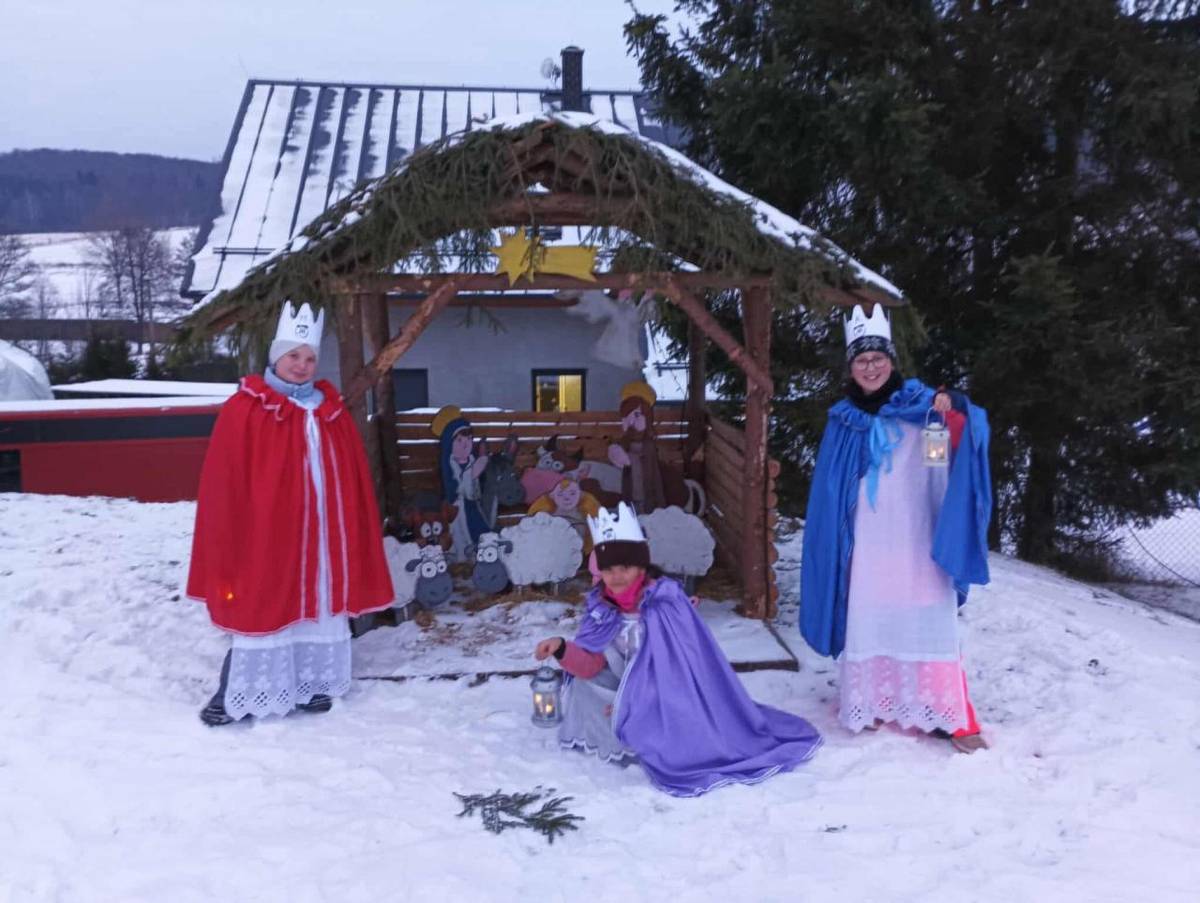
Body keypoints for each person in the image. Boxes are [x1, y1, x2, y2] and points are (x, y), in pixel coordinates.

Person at [187, 301, 394, 726]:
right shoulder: (245, 408)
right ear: (275, 357)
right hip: (266, 532)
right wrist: (235, 531)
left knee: (317, 605)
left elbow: (350, 476)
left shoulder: (329, 410)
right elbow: (225, 478)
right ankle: (236, 694)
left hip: (321, 538)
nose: (301, 365)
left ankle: (310, 686)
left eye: (309, 358)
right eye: (293, 356)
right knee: (264, 602)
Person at [800, 304, 993, 753]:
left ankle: (947, 712)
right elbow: (831, 488)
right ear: (851, 367)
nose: (870, 368)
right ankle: (875, 700)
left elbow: (952, 454)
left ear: (891, 361)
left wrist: (955, 408)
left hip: (917, 532)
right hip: (866, 540)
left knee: (927, 614)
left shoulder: (921, 405)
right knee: (873, 614)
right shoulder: (844, 419)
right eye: (861, 361)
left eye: (878, 359)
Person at [534, 502, 822, 796]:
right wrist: (561, 649)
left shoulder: (664, 605)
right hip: (624, 686)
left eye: (626, 567)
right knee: (583, 687)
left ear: (642, 567)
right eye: (609, 569)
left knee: (670, 720)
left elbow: (681, 673)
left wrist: (633, 702)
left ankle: (637, 721)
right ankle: (625, 719)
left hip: (670, 690)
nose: (617, 576)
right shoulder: (601, 608)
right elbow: (593, 665)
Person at [431, 405, 493, 561]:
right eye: (459, 440)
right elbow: (453, 491)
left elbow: (477, 489)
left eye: (469, 439)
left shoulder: (472, 460)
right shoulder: (450, 466)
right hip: (458, 512)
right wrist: (470, 474)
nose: (466, 444)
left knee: (481, 531)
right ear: (448, 444)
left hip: (473, 507)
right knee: (463, 537)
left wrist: (476, 472)